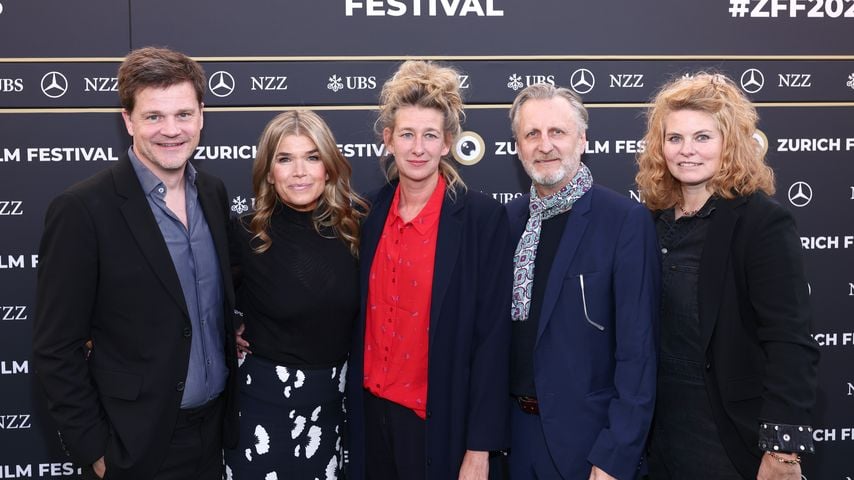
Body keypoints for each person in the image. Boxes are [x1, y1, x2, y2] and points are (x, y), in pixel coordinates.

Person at [32, 47, 237, 480]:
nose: (171, 130)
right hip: (135, 444)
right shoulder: (82, 210)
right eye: (154, 116)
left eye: (183, 114)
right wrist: (95, 451)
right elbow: (56, 348)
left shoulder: (213, 193)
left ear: (202, 115)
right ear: (128, 120)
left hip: (216, 434)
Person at [635, 73, 819, 479]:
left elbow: (789, 340)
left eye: (702, 137)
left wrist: (782, 450)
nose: (687, 150)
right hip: (654, 436)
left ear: (729, 143)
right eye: (674, 138)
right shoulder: (648, 221)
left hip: (726, 437)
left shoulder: (761, 222)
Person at [345, 60, 514, 480]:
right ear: (388, 140)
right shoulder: (367, 212)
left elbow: (493, 341)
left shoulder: (481, 219)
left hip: (440, 425)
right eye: (407, 134)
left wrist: (480, 448)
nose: (417, 148)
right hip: (370, 419)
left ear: (447, 143)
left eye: (430, 135)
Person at [505, 83, 660, 480]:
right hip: (512, 442)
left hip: (590, 446)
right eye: (532, 134)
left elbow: (638, 353)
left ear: (583, 140)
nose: (545, 145)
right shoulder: (506, 221)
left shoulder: (623, 221)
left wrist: (615, 455)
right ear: (518, 147)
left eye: (557, 131)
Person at [223, 110, 367, 479]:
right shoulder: (245, 234)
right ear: (269, 172)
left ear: (328, 167)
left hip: (334, 411)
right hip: (261, 410)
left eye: (312, 157)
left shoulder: (357, 231)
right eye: (285, 159)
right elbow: (192, 299)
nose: (299, 171)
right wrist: (227, 330)